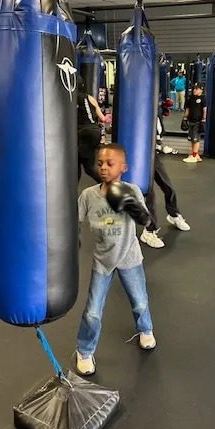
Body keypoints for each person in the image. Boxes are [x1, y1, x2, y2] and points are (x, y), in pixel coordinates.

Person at [76, 144, 156, 376]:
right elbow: (74, 221)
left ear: (123, 168)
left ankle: (146, 329)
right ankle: (84, 350)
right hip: (103, 259)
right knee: (92, 311)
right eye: (100, 163)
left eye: (110, 164)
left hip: (130, 256)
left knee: (140, 302)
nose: (103, 168)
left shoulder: (132, 190)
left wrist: (135, 208)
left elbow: (146, 221)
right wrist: (71, 243)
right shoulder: (88, 195)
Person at [141, 112, 191, 249]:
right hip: (139, 157)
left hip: (153, 155)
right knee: (149, 194)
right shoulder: (138, 109)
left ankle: (173, 214)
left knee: (168, 187)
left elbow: (157, 136)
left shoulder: (154, 112)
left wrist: (160, 147)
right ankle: (149, 231)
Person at [77, 76, 111, 182]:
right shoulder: (90, 98)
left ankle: (108, 185)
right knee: (85, 166)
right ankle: (108, 185)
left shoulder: (71, 99)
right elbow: (102, 118)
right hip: (95, 132)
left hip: (83, 133)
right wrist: (107, 118)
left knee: (84, 166)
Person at [182, 83, 206, 163]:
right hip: (191, 121)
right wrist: (185, 118)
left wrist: (204, 119)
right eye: (194, 88)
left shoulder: (203, 99)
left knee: (196, 139)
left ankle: (194, 156)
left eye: (196, 89)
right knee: (192, 139)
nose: (194, 90)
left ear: (201, 90)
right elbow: (187, 109)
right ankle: (195, 154)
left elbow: (204, 110)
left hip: (198, 121)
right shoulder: (190, 98)